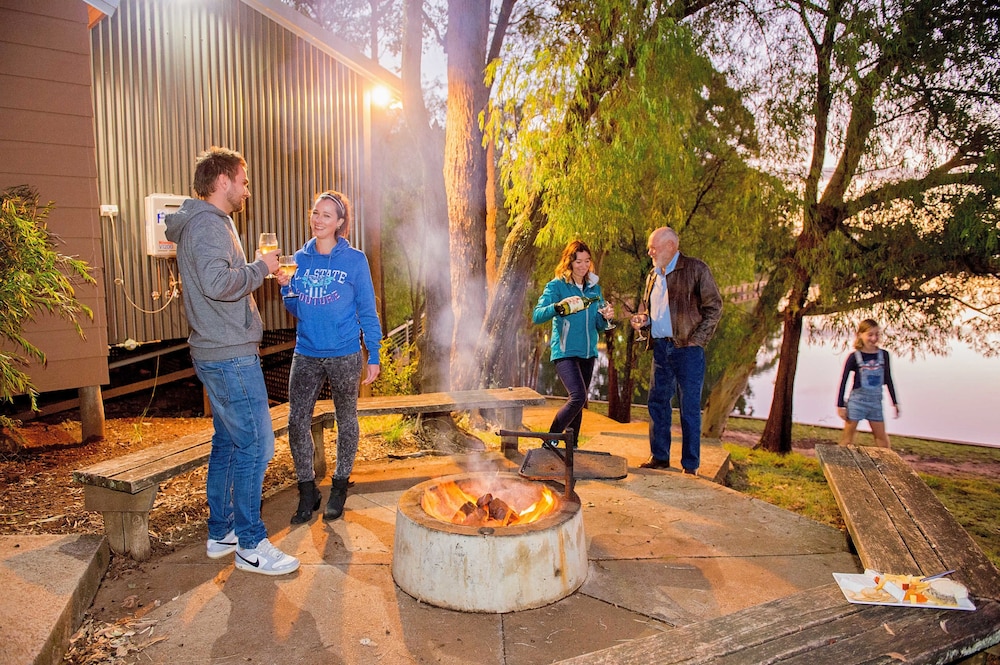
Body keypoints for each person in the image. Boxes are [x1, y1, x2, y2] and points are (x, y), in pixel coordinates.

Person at [164, 147, 299, 576]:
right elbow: (218, 282)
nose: (247, 189)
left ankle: (222, 531)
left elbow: (217, 280)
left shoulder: (209, 223)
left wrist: (256, 269)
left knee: (227, 443)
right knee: (257, 447)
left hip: (218, 350)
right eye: (243, 180)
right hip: (229, 355)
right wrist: (259, 268)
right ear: (222, 181)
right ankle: (251, 544)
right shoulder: (206, 224)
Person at [275, 190, 382, 523]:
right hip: (306, 351)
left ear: (339, 223)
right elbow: (296, 307)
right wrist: (286, 287)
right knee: (296, 421)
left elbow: (367, 307)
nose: (317, 219)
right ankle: (307, 491)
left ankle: (339, 486)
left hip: (345, 352)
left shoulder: (355, 260)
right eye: (315, 213)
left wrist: (374, 351)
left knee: (346, 420)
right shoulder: (299, 258)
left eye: (326, 215)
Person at [631, 227, 722, 474]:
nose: (649, 251)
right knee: (657, 403)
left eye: (654, 247)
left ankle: (690, 465)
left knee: (689, 407)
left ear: (671, 246)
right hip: (661, 349)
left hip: (688, 351)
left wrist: (698, 340)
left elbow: (714, 308)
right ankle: (659, 457)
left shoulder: (696, 269)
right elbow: (653, 312)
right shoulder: (652, 276)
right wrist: (643, 321)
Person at [532, 239, 614, 447]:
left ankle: (572, 446)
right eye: (578, 262)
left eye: (587, 261)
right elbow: (537, 315)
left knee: (580, 401)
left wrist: (606, 317)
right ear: (569, 262)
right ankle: (550, 440)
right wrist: (557, 307)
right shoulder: (557, 286)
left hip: (588, 353)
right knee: (577, 396)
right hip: (565, 351)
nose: (583, 266)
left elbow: (598, 325)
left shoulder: (595, 290)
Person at [836, 319, 900, 447]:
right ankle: (839, 464)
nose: (874, 338)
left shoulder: (884, 355)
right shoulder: (854, 357)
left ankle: (885, 465)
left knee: (882, 439)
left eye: (877, 334)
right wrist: (840, 405)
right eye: (870, 335)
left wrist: (895, 402)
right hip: (857, 402)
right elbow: (843, 380)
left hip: (875, 403)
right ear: (860, 335)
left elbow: (888, 379)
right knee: (847, 440)